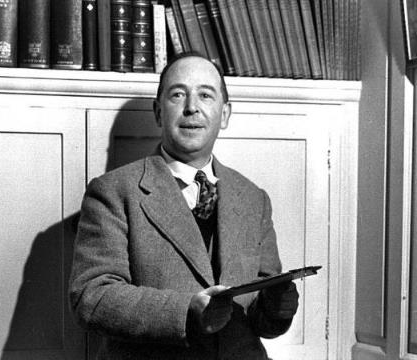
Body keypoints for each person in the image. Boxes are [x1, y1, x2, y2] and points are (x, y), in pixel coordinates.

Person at [69, 52, 299, 359]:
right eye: (178, 94)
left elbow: (262, 321)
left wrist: (277, 308)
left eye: (206, 95)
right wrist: (185, 311)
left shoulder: (254, 198)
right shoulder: (112, 192)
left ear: (225, 113)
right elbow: (92, 297)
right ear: (158, 112)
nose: (192, 108)